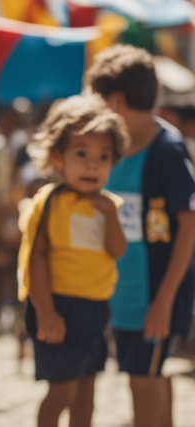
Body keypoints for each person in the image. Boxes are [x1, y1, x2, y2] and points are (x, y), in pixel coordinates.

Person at [86, 44, 195, 427]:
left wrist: (165, 300)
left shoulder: (168, 149)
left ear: (115, 100)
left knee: (143, 380)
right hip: (121, 295)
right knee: (151, 375)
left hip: (155, 298)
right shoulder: (109, 150)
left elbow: (189, 225)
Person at [18, 94, 128, 427]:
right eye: (81, 154)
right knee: (60, 391)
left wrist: (111, 217)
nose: (93, 165)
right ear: (58, 157)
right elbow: (36, 258)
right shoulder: (50, 201)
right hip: (58, 305)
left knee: (86, 390)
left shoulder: (110, 204)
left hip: (95, 307)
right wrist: (46, 312)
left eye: (103, 157)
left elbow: (116, 250)